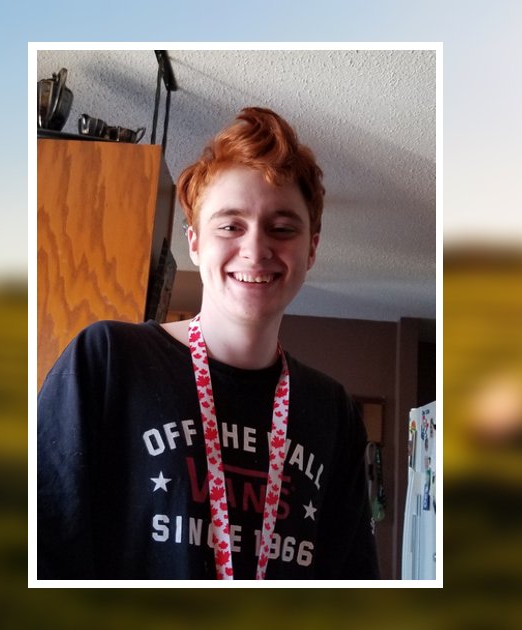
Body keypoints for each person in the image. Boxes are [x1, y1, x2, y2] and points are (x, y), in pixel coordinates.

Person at [37, 107, 379, 579]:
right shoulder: (109, 361)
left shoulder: (333, 410)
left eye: (282, 228)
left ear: (312, 249)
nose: (255, 249)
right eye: (230, 226)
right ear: (195, 243)